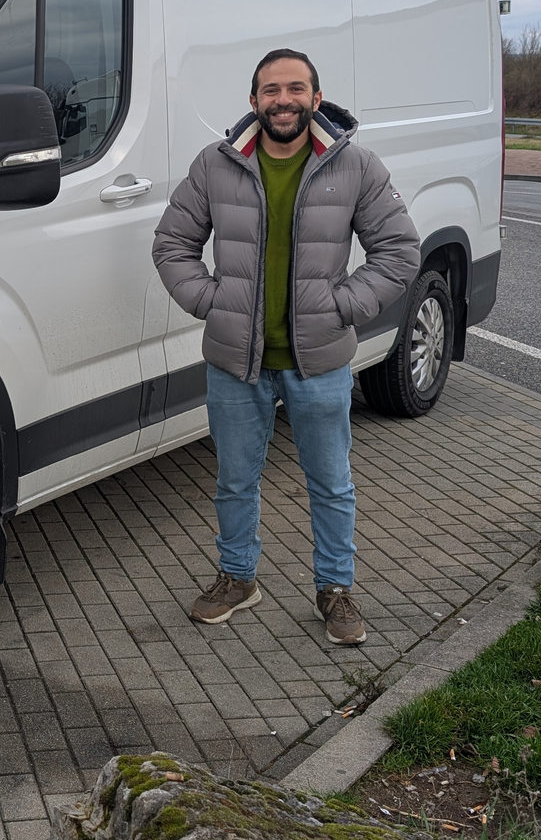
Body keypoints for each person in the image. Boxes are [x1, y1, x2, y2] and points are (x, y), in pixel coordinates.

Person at [152, 49, 420, 644]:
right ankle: (238, 577)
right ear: (254, 101)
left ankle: (336, 590)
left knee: (330, 482)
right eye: (271, 90)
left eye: (296, 88)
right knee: (234, 480)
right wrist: (212, 303)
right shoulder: (215, 166)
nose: (283, 100)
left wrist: (341, 307)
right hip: (235, 362)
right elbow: (172, 244)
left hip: (319, 361)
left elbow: (400, 251)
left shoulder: (355, 166)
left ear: (316, 99)